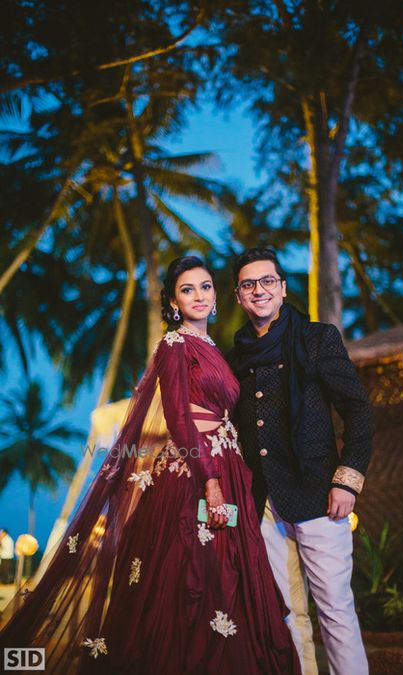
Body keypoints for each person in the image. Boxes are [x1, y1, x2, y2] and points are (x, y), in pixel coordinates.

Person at [0, 256, 300, 675]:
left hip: (229, 469)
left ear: (216, 296)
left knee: (228, 581)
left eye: (206, 286)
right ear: (174, 303)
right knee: (190, 578)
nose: (199, 295)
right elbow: (178, 418)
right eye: (187, 289)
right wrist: (210, 480)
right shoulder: (174, 346)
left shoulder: (214, 348)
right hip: (196, 474)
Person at [228, 248, 372, 675]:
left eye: (267, 280)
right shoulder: (235, 357)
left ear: (283, 287)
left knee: (335, 612)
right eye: (249, 284)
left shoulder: (317, 338)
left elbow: (358, 409)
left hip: (318, 495)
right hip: (265, 504)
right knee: (288, 613)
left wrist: (346, 481)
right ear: (238, 296)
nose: (259, 290)